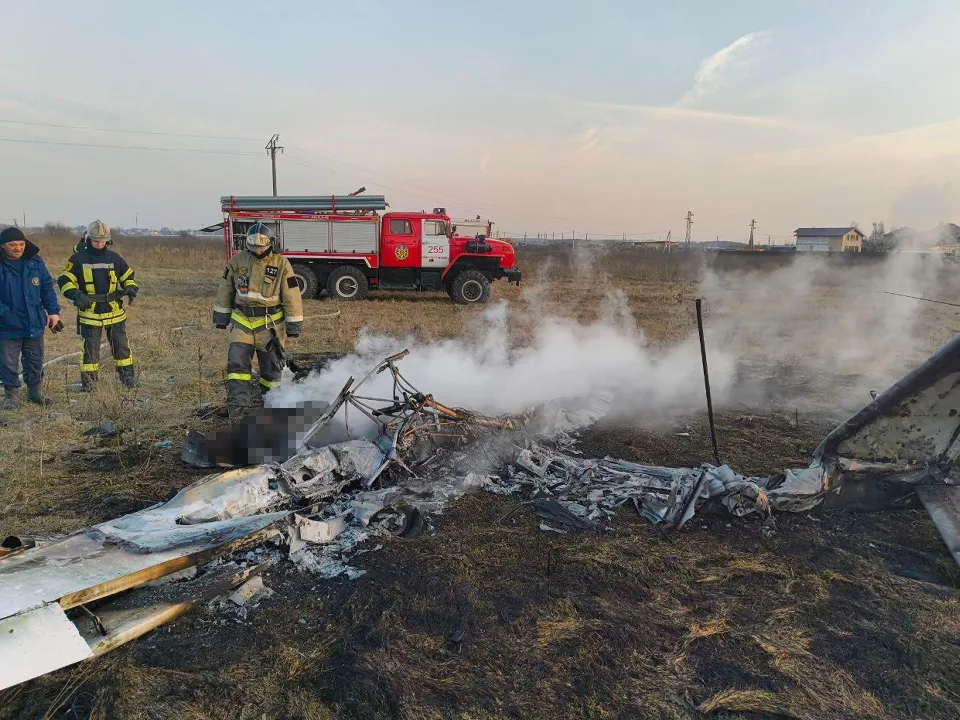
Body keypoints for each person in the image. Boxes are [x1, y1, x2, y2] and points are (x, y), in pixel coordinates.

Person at [213, 222, 303, 419]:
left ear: (270, 242)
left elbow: (292, 295)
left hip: (269, 325)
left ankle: (272, 408)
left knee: (271, 370)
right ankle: (237, 409)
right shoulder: (238, 261)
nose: (258, 248)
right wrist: (221, 316)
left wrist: (293, 325)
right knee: (237, 367)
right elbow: (225, 288)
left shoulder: (281, 264)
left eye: (262, 244)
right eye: (254, 244)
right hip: (242, 322)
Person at [56, 220, 139, 391]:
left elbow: (128, 277)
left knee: (122, 348)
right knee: (90, 351)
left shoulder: (115, 258)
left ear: (107, 241)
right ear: (88, 239)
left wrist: (130, 287)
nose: (99, 244)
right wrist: (76, 294)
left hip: (114, 311)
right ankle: (89, 385)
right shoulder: (78, 259)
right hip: (90, 312)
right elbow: (64, 280)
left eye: (102, 241)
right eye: (96, 241)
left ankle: (128, 379)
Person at [0, 227, 60, 408]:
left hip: (34, 321)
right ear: (3, 246)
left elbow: (47, 287)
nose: (18, 248)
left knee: (35, 359)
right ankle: (11, 396)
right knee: (8, 362)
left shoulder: (35, 262)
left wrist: (53, 311)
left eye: (21, 244)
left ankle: (35, 392)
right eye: (13, 245)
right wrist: (6, 314)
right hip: (7, 325)